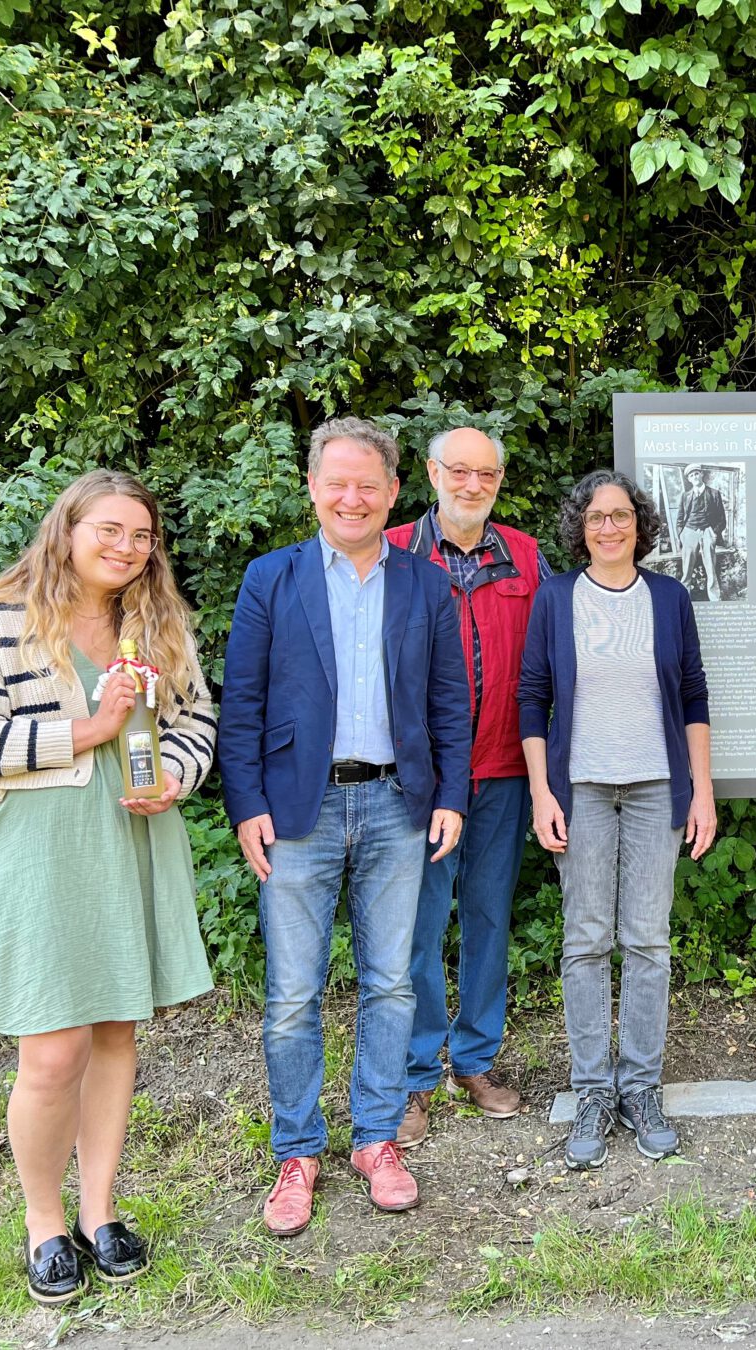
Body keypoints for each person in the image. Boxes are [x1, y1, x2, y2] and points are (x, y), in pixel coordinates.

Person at [0, 469, 217, 1304]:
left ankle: (99, 1214)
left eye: (141, 535)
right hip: (38, 840)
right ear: (67, 528)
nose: (127, 548)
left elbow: (197, 720)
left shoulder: (155, 623)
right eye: (110, 530)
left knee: (117, 1031)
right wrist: (88, 730)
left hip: (133, 830)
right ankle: (44, 1224)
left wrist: (177, 778)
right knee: (52, 1050)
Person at [220, 416, 473, 1236]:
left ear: (396, 491)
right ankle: (297, 1150)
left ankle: (375, 1139)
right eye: (338, 482)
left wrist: (452, 794)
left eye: (370, 483)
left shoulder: (427, 584)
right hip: (299, 811)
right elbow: (244, 704)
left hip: (400, 805)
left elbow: (449, 702)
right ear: (312, 487)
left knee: (391, 982)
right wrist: (247, 803)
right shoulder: (272, 578)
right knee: (293, 994)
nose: (353, 497)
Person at [517, 469, 717, 1169]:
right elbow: (533, 697)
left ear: (639, 524)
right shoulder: (556, 597)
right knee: (586, 941)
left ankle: (641, 1089)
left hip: (658, 786)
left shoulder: (668, 598)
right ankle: (593, 1091)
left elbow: (693, 695)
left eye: (621, 515)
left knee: (648, 941)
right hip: (583, 789)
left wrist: (703, 792)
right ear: (580, 526)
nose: (609, 527)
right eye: (596, 517)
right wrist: (543, 792)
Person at [385, 427, 552, 1142]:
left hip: (507, 770)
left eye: (486, 473)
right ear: (431, 473)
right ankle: (417, 1076)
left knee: (488, 920)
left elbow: (547, 662)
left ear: (499, 481)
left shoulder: (525, 554)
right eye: (459, 470)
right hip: (420, 780)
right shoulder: (392, 550)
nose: (472, 483)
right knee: (418, 929)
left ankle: (475, 1059)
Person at [674, 466, 727, 601]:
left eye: (696, 474)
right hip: (689, 531)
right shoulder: (686, 496)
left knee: (710, 567)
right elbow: (680, 517)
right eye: (691, 476)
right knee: (686, 569)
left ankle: (715, 599)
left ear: (701, 474)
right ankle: (684, 599)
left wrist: (714, 533)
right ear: (689, 480)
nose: (694, 477)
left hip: (707, 530)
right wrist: (681, 534)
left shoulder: (714, 493)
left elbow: (722, 518)